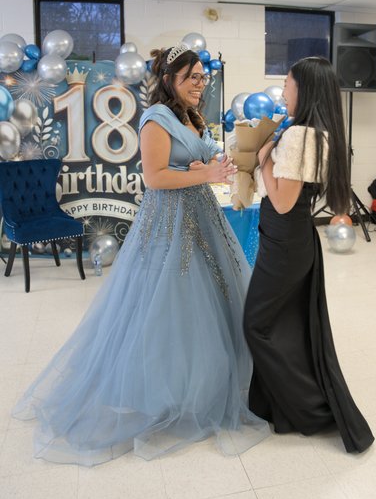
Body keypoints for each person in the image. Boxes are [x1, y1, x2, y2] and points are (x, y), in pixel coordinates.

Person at [13, 43, 269, 465]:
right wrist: (205, 172)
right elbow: (155, 177)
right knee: (167, 302)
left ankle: (202, 384)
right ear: (169, 80)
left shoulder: (190, 117)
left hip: (203, 217)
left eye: (202, 77)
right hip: (168, 222)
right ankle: (165, 390)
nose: (199, 84)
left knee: (208, 299)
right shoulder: (156, 118)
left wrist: (214, 165)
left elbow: (193, 162)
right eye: (191, 77)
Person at [244, 56, 374, 453]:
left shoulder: (301, 136)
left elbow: (283, 202)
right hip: (289, 240)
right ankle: (287, 407)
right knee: (288, 325)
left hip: (285, 241)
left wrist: (262, 158)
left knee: (257, 325)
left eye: (287, 83)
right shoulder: (310, 132)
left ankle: (310, 409)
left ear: (305, 88)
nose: (283, 90)